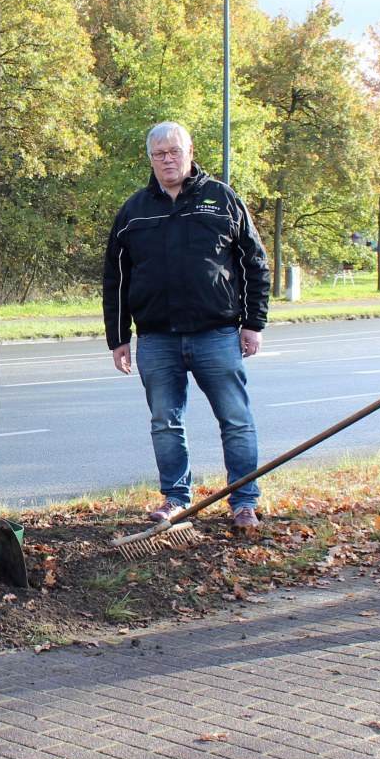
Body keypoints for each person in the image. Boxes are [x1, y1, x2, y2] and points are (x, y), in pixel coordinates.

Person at [104, 121, 271, 529]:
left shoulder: (222, 200)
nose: (167, 159)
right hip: (157, 339)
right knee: (165, 422)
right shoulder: (134, 210)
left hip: (216, 334)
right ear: (150, 159)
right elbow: (116, 278)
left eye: (173, 151)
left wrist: (253, 323)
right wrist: (118, 337)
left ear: (190, 152)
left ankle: (243, 501)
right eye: (158, 154)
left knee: (235, 419)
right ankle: (175, 499)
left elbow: (255, 262)